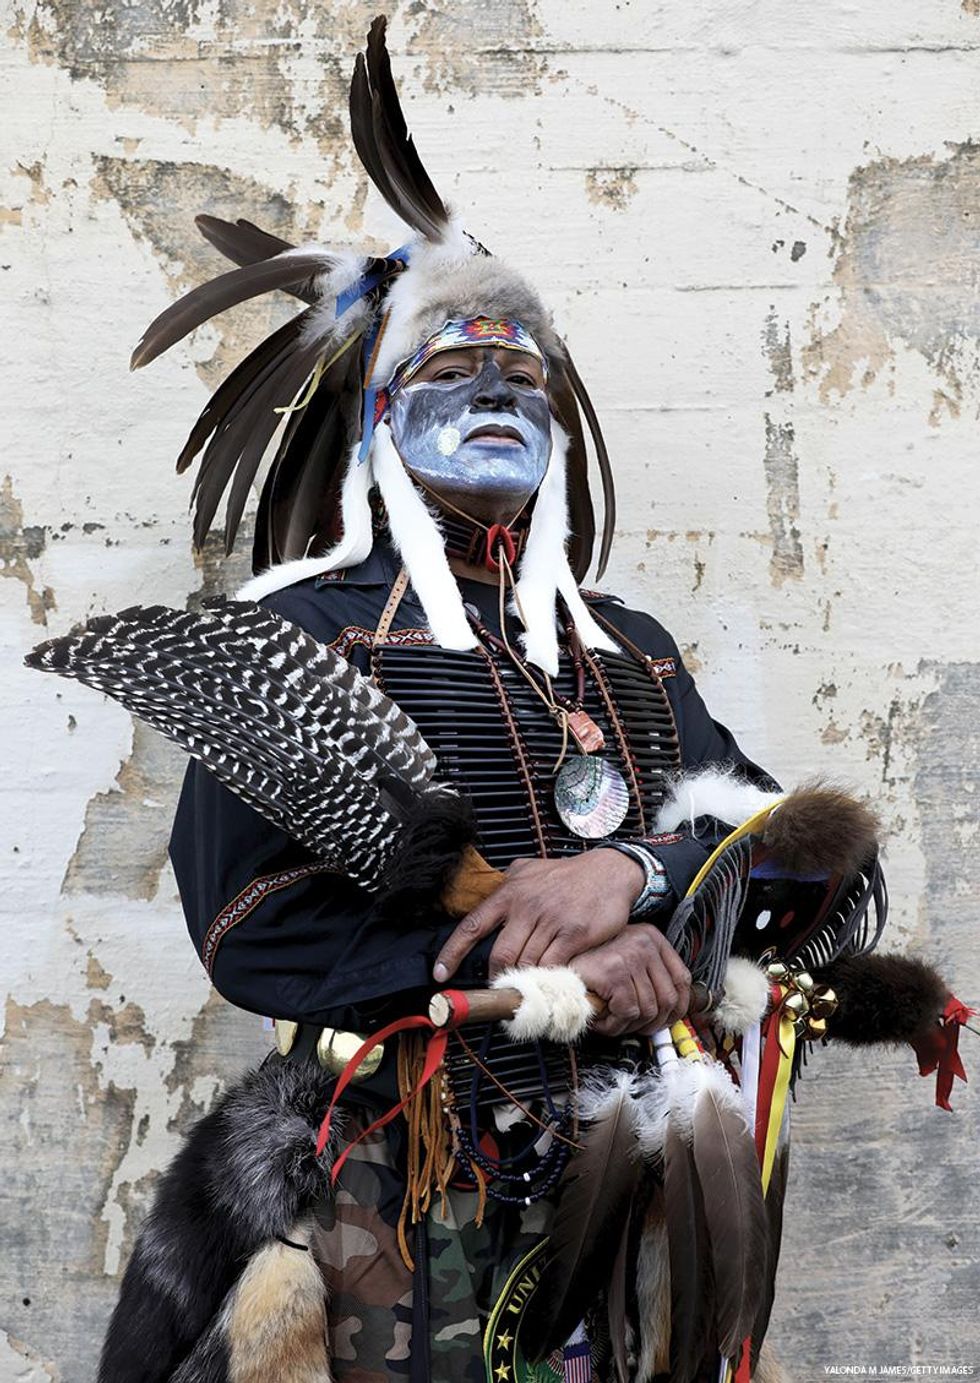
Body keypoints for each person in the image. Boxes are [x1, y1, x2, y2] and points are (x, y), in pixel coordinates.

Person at [79, 17, 962, 1383]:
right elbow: (250, 930)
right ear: (379, 419)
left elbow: (811, 880)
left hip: (628, 1184)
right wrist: (539, 969)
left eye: (526, 374)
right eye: (452, 368)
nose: (498, 387)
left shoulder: (629, 652)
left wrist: (632, 866)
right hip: (389, 1172)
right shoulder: (306, 637)